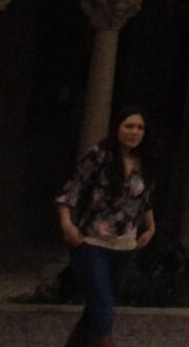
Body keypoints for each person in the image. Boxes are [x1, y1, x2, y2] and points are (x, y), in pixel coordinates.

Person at [56, 106, 156, 347]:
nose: (134, 132)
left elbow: (144, 200)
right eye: (129, 126)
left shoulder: (143, 162)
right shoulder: (99, 155)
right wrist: (67, 223)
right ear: (117, 128)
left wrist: (150, 227)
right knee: (102, 306)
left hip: (125, 246)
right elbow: (71, 190)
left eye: (139, 127)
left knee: (98, 307)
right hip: (92, 242)